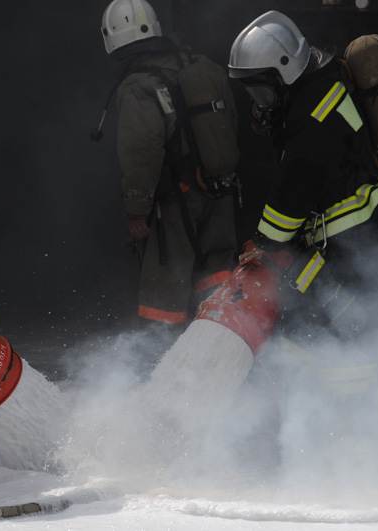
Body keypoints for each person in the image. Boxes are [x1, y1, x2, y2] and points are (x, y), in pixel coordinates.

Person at [227, 11, 378, 353]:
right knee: (320, 324)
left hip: (349, 229)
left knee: (341, 326)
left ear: (285, 70)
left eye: (262, 92)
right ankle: (317, 396)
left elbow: (298, 181)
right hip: (333, 227)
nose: (260, 104)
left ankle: (352, 395)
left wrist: (265, 242)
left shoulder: (318, 109)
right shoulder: (312, 87)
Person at [100, 0, 239, 334]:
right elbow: (230, 121)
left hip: (176, 202)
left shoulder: (138, 85)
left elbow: (141, 151)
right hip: (217, 188)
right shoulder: (198, 64)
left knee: (164, 288)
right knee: (217, 274)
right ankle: (220, 343)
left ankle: (160, 357)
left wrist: (136, 209)